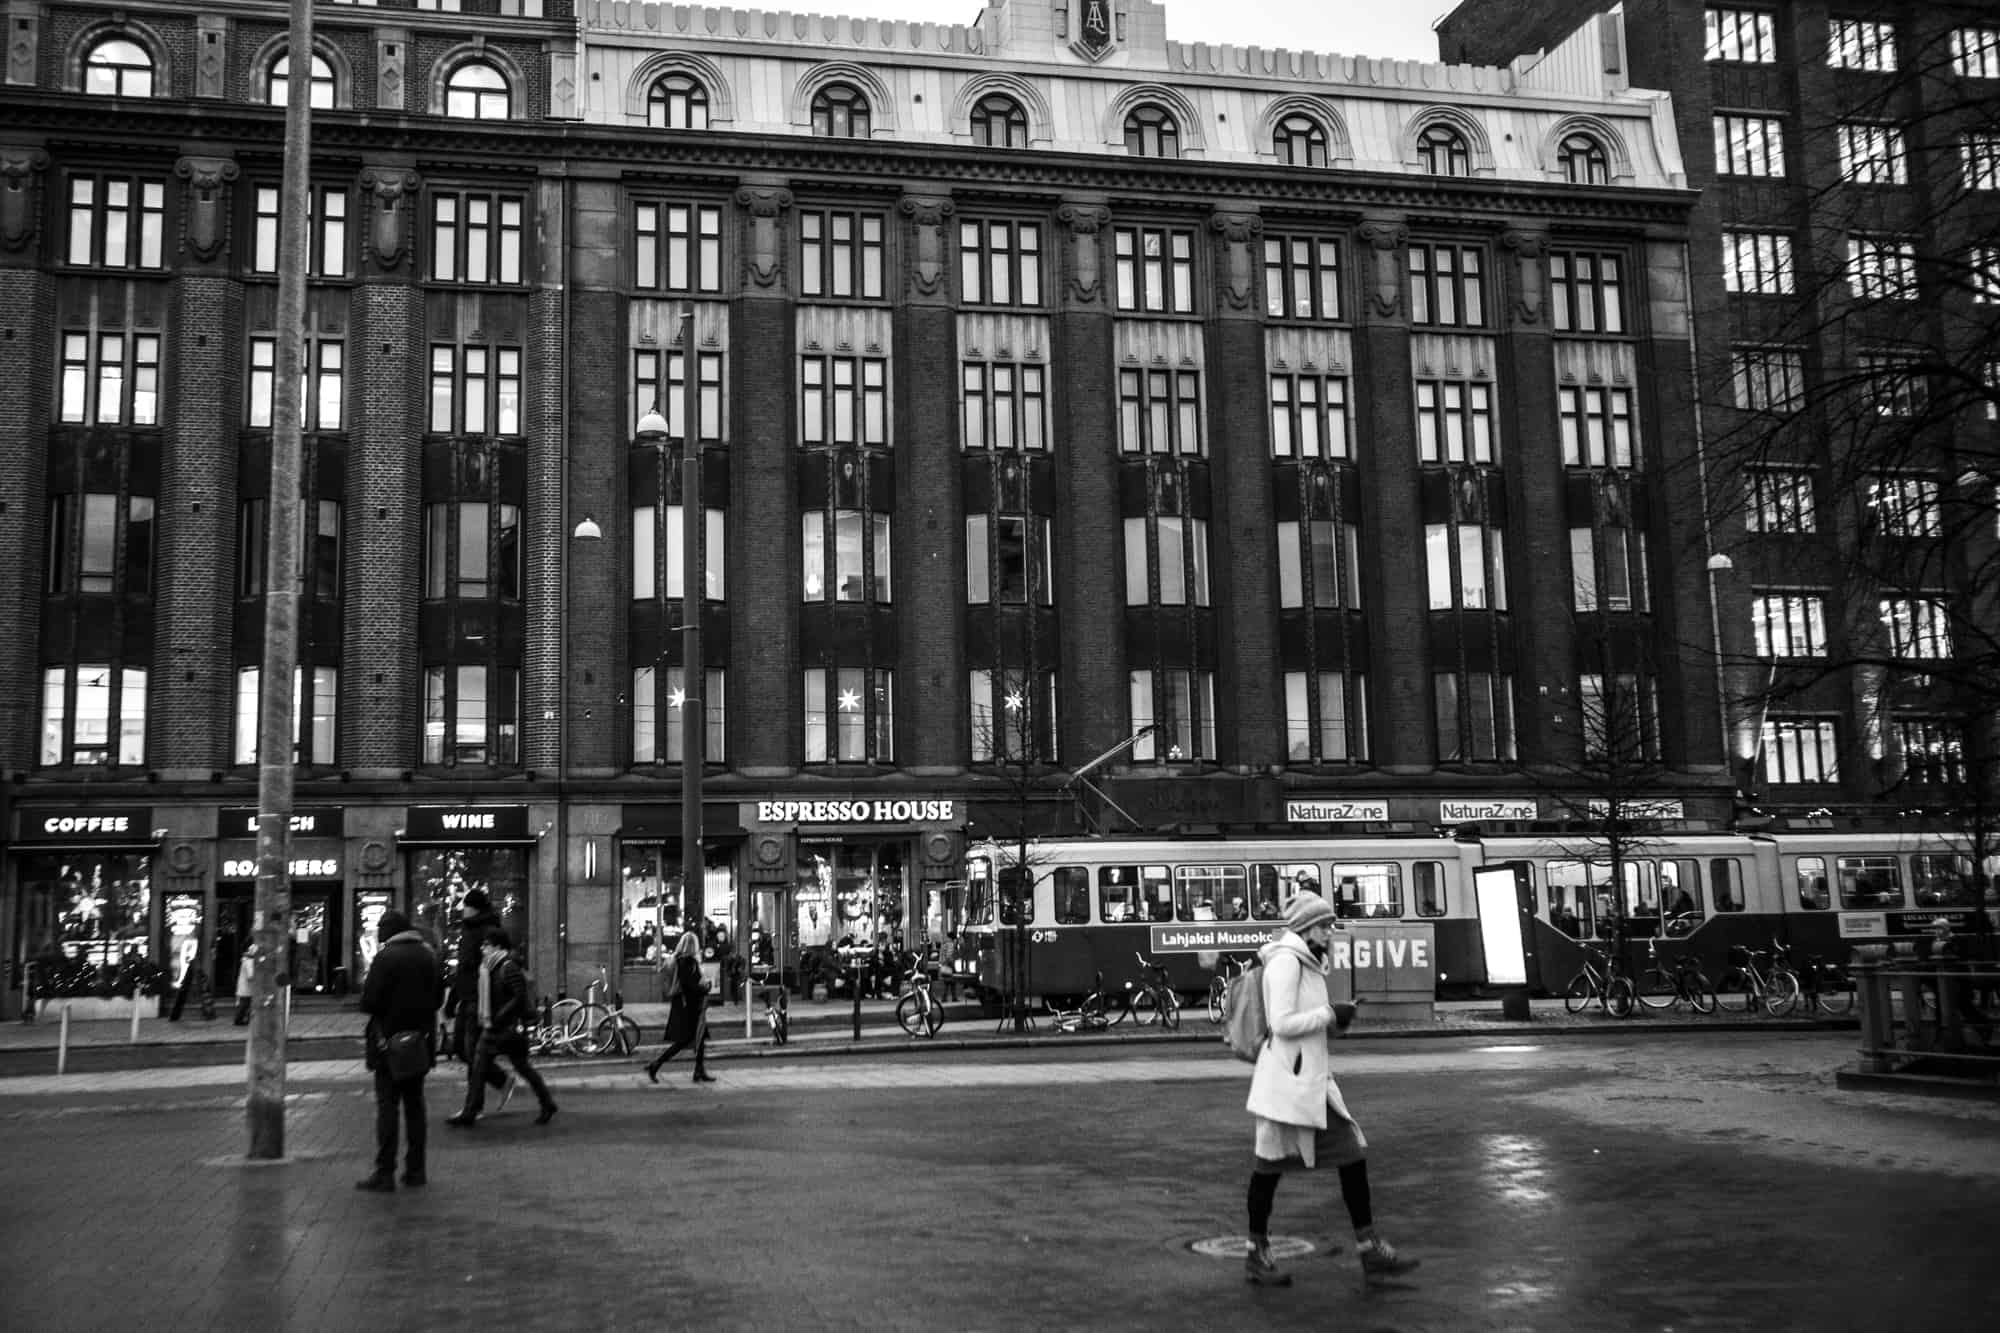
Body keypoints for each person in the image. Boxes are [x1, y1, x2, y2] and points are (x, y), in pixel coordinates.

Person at [1242, 890, 1418, 1286]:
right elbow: (1283, 1023)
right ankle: (1256, 1253)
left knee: (1351, 1155)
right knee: (1268, 1170)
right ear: (1307, 927)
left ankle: (1368, 1248)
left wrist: (1339, 1020)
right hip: (1288, 1088)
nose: (1331, 932)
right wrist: (1329, 1013)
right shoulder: (1287, 963)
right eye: (1325, 926)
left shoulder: (1308, 962)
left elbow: (1308, 1025)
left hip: (1309, 1085)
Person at [355, 910, 444, 1191]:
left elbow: (369, 1002)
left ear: (389, 931)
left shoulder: (385, 957)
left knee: (388, 1107)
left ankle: (385, 1172)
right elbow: (438, 997)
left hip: (388, 1044)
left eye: (381, 928)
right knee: (415, 1106)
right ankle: (416, 1169)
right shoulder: (428, 955)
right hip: (419, 1042)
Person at [446, 930, 557, 1127]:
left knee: (481, 1066)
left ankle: (470, 1112)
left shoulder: (507, 967)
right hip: (501, 1027)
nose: (483, 949)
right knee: (519, 1067)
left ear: (498, 947)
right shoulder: (491, 967)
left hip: (502, 1028)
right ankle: (547, 1103)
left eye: (486, 945)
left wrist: (499, 1016)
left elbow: (519, 996)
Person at [444, 889, 509, 1104]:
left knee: (473, 1052)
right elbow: (463, 969)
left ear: (474, 908)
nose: (463, 910)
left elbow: (487, 967)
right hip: (467, 997)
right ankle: (500, 1081)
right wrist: (453, 999)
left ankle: (474, 1104)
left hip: (480, 1000)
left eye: (466, 906)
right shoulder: (469, 930)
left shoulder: (487, 932)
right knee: (463, 1050)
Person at [644, 930, 715, 1084]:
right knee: (685, 1039)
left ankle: (699, 1070)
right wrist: (705, 988)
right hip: (689, 1006)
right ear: (693, 946)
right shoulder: (688, 962)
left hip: (684, 1004)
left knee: (700, 1036)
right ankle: (655, 1065)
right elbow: (688, 985)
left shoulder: (677, 960)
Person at [233, 942, 259, 1025]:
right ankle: (239, 1020)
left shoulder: (247, 960)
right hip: (247, 988)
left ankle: (241, 1019)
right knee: (244, 1005)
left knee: (245, 1005)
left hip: (246, 988)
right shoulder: (249, 962)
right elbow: (250, 975)